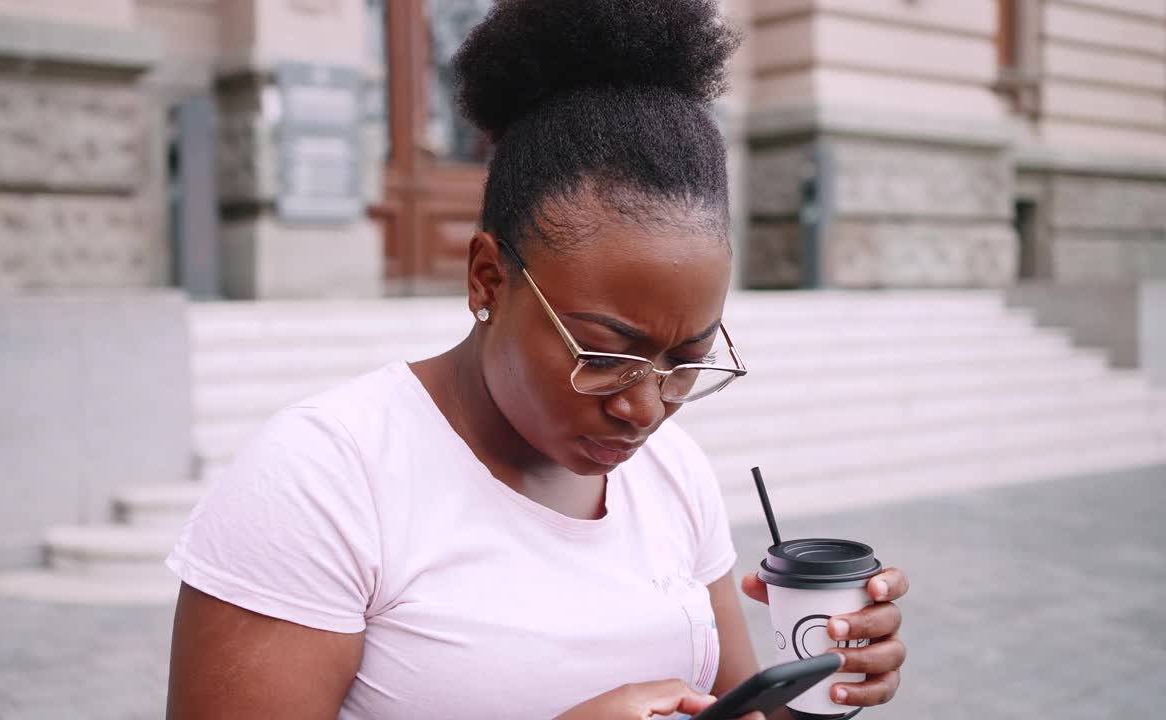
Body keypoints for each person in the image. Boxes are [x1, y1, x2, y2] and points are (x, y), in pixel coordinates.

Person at [164, 1, 908, 718]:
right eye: (605, 354)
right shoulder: (327, 478)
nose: (645, 409)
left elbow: (734, 706)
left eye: (688, 362)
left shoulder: (672, 474)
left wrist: (826, 678)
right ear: (488, 279)